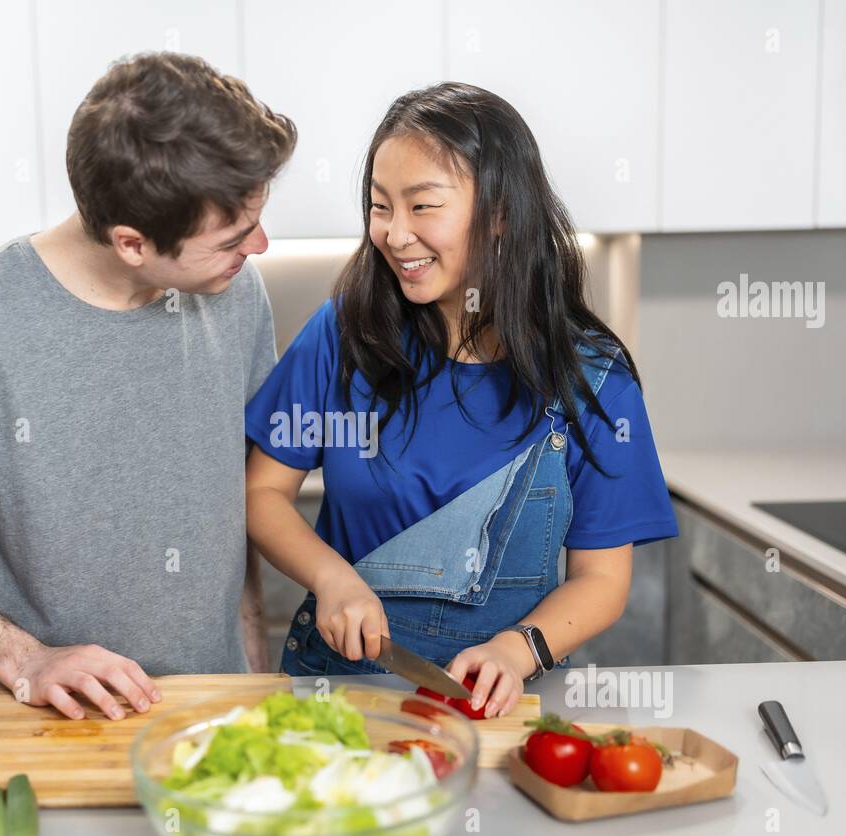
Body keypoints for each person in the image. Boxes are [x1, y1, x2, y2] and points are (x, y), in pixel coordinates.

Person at [0, 52, 296, 720]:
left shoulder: (232, 291)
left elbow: (226, 498)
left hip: (214, 716)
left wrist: (249, 673)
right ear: (132, 243)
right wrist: (24, 660)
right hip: (54, 729)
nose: (259, 246)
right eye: (233, 234)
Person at [245, 82, 678, 719]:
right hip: (337, 693)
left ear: (501, 212)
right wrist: (332, 578)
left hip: (498, 703)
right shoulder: (344, 336)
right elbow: (262, 494)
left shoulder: (593, 379)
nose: (394, 234)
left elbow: (602, 582)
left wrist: (516, 649)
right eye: (379, 206)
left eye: (423, 206)